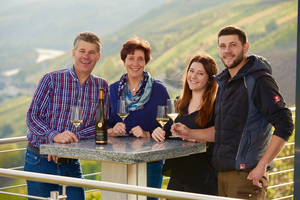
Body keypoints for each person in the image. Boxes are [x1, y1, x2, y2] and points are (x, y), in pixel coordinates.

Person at [171, 25, 294, 199]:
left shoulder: (259, 81)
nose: (227, 51)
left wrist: (262, 166)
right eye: (222, 46)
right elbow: (221, 131)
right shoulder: (224, 84)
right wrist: (190, 132)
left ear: (245, 47)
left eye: (233, 45)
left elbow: (285, 124)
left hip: (247, 176)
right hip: (222, 175)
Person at [24, 31, 109, 200]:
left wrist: (71, 139)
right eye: (82, 51)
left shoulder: (101, 86)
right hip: (40, 160)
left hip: (71, 163)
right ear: (73, 53)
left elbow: (100, 125)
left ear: (98, 57)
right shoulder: (51, 79)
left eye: (91, 52)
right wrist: (54, 137)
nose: (86, 56)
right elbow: (32, 117)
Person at [108, 36, 170, 200]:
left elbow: (170, 129)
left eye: (140, 59)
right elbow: (101, 128)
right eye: (131, 58)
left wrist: (148, 134)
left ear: (145, 62)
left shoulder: (159, 90)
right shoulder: (112, 90)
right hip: (119, 161)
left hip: (150, 163)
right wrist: (112, 130)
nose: (135, 63)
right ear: (124, 61)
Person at [152, 53, 218, 196]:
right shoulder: (178, 103)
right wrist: (157, 132)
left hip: (203, 181)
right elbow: (169, 133)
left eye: (200, 73)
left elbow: (221, 135)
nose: (193, 76)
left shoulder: (216, 106)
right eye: (191, 71)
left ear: (209, 80)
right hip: (177, 177)